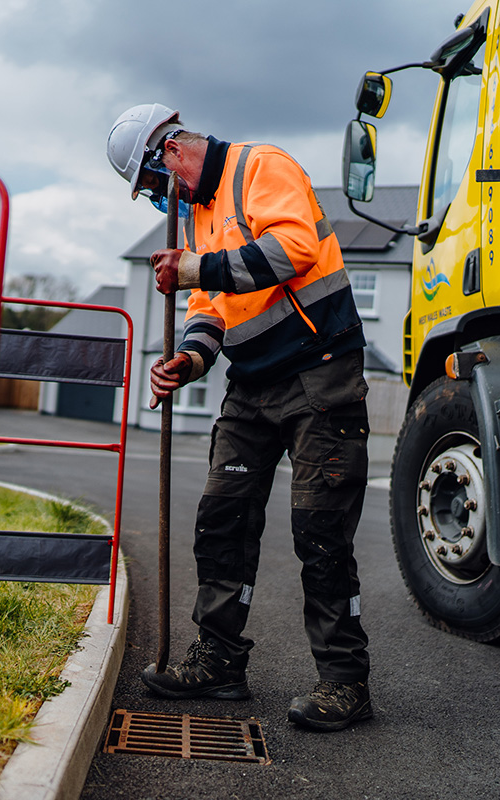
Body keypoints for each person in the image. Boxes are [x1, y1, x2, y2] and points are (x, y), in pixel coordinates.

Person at [106, 104, 372, 732]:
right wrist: (191, 359)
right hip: (251, 386)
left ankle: (344, 683)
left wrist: (195, 267)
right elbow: (209, 307)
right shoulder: (197, 216)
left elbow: (294, 249)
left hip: (319, 372)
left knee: (319, 530)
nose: (157, 203)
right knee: (221, 518)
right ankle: (219, 662)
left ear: (170, 154)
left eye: (151, 188)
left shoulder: (261, 167)